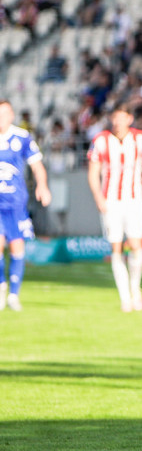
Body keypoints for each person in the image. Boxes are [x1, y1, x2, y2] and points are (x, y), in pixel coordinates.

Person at [88, 102, 142, 312]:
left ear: (129, 119)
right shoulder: (101, 140)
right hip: (111, 201)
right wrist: (98, 198)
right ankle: (125, 297)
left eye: (122, 117)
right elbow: (93, 172)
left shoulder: (141, 139)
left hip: (134, 199)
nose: (118, 122)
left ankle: (135, 288)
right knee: (116, 247)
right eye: (115, 117)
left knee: (137, 246)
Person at [0, 100, 51, 311]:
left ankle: (14, 294)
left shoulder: (21, 137)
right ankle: (2, 286)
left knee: (17, 245)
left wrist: (43, 186)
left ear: (12, 115)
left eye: (5, 113)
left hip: (16, 202)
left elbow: (37, 165)